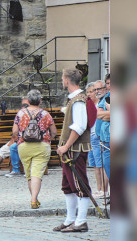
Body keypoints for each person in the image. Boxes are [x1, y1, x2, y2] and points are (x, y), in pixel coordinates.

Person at [53, 69, 93, 233]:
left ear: (67, 80)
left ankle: (81, 220)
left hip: (75, 150)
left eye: (62, 78)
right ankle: (70, 219)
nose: (62, 81)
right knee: (68, 185)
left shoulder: (78, 101)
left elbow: (79, 126)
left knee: (80, 184)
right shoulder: (74, 100)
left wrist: (65, 146)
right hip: (70, 151)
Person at [12, 90, 57, 209]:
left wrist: (18, 140)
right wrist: (49, 139)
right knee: (37, 174)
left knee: (29, 175)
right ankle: (33, 200)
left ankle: (34, 199)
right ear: (40, 101)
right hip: (41, 146)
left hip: (24, 146)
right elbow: (54, 132)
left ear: (28, 100)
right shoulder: (45, 114)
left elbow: (15, 132)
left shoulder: (20, 113)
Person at [0, 98, 28, 177]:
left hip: (25, 141)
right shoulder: (28, 114)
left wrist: (13, 140)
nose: (23, 107)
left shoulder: (23, 114)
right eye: (23, 105)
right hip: (24, 140)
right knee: (5, 149)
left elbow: (16, 132)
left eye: (25, 105)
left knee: (6, 149)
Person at [87, 81, 108, 198]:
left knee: (101, 165)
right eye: (92, 90)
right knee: (95, 164)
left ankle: (103, 190)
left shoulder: (103, 102)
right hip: (92, 135)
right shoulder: (95, 103)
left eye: (95, 90)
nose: (94, 92)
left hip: (99, 135)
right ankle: (99, 188)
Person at [96, 74, 111, 181]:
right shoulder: (107, 96)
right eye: (108, 83)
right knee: (107, 166)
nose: (109, 85)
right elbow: (98, 114)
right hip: (105, 138)